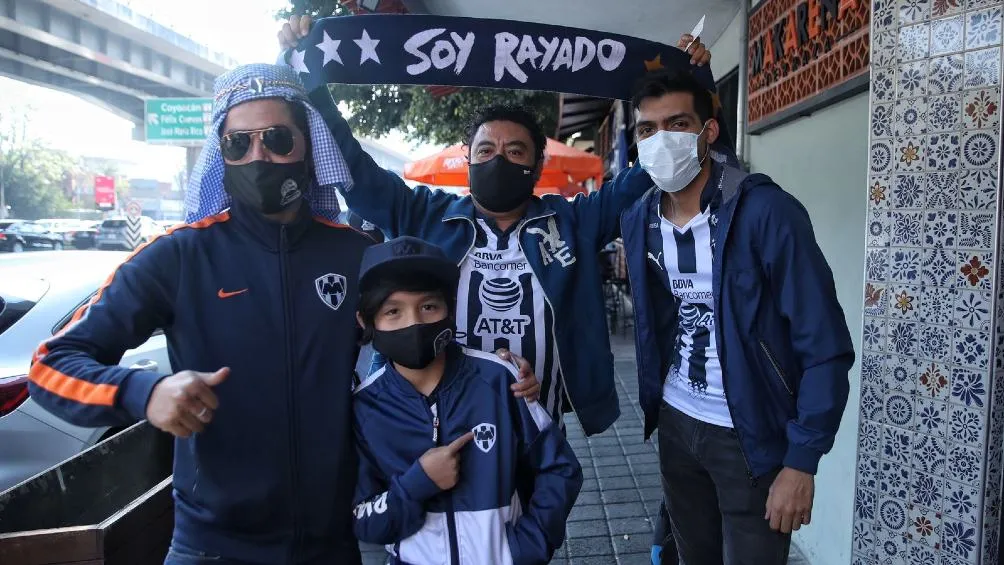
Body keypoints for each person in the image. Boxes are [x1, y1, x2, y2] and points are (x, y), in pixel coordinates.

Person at [25, 64, 538, 565]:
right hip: (212, 545)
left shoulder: (355, 254)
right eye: (238, 143)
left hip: (332, 541)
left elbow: (424, 345)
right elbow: (51, 366)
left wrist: (503, 377)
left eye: (276, 138)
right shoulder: (178, 257)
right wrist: (145, 392)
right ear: (221, 153)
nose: (259, 156)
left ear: (309, 145)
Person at [278, 16, 714, 436]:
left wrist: (688, 80)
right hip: (437, 435)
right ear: (468, 159)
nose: (498, 160)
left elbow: (652, 168)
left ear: (537, 166)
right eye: (486, 150)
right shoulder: (420, 214)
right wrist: (310, 82)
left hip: (540, 435)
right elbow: (354, 169)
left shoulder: (574, 221)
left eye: (516, 152)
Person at [620, 70, 854, 564]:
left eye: (677, 124)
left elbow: (825, 345)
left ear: (708, 131)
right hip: (677, 421)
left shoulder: (767, 212)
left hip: (750, 435)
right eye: (647, 129)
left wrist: (801, 461)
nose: (661, 139)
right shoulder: (639, 217)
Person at [351, 236, 582, 564]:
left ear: (450, 308)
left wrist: (528, 547)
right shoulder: (364, 407)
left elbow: (559, 468)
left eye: (428, 307)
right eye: (393, 312)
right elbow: (363, 519)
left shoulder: (499, 380)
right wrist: (418, 484)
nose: (413, 323)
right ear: (366, 321)